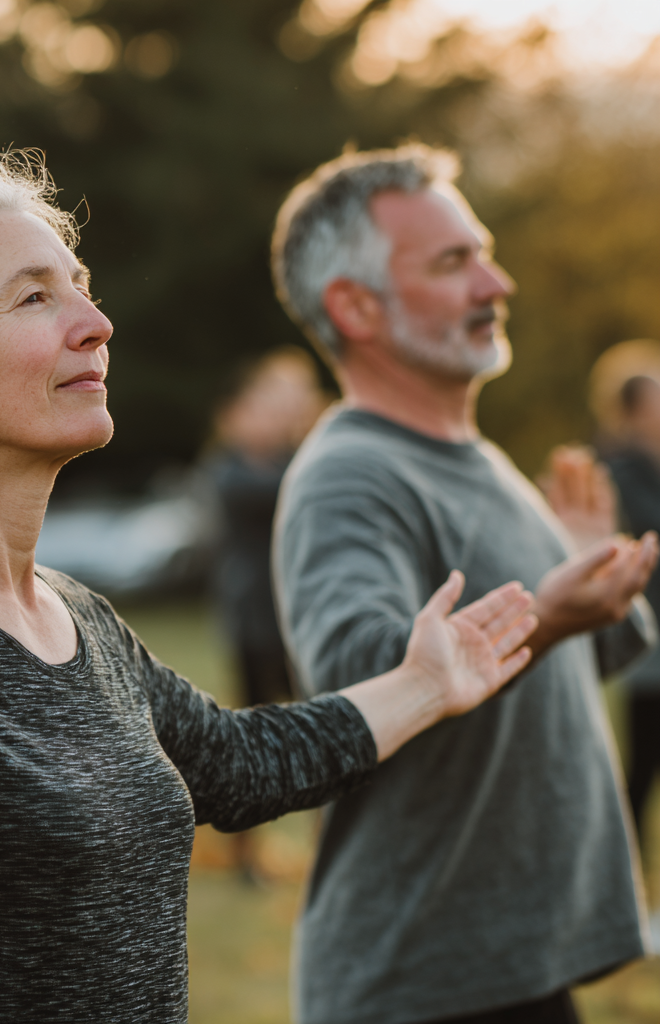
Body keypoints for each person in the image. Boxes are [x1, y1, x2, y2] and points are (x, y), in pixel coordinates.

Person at [0, 150, 538, 1024]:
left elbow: (238, 764)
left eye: (81, 285)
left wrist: (426, 682)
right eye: (36, 295)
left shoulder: (82, 620)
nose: (95, 322)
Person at [269, 144, 658, 1024]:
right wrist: (547, 615)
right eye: (456, 262)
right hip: (424, 984)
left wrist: (587, 586)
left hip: (510, 969)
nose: (498, 282)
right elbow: (359, 688)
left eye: (482, 251)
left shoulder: (475, 458)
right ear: (356, 307)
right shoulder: (351, 473)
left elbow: (545, 674)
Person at [209, 347, 325, 708]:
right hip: (253, 617)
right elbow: (294, 488)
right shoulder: (231, 474)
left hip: (289, 611)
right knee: (259, 709)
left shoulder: (287, 461)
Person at [587, 339, 660, 840]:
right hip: (647, 635)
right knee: (645, 761)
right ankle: (627, 864)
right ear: (633, 412)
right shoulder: (617, 468)